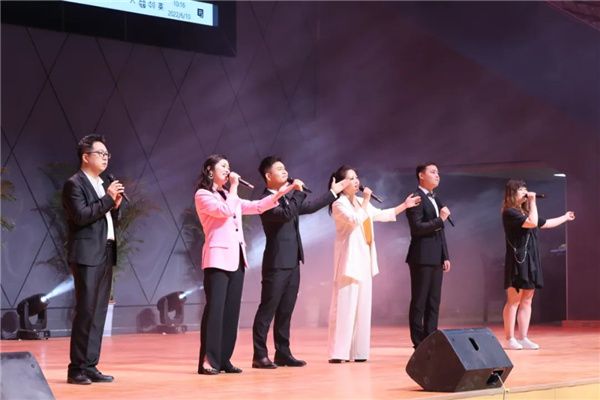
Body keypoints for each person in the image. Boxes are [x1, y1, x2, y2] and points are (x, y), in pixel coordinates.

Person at [194, 154, 294, 375]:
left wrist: (282, 192)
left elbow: (257, 206)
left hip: (237, 259)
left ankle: (224, 359)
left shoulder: (230, 196)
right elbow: (225, 211)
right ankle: (208, 360)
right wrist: (234, 187)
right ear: (210, 171)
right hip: (217, 260)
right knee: (215, 310)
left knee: (231, 311)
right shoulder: (203, 195)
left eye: (228, 166)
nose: (227, 169)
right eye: (223, 166)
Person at [251, 156, 350, 369]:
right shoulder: (266, 200)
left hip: (293, 261)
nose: (285, 171)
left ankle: (282, 353)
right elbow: (287, 214)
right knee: (268, 309)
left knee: (286, 310)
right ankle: (259, 355)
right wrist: (297, 191)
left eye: (285, 168)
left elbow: (311, 206)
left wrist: (333, 192)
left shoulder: (287, 198)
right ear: (268, 176)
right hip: (276, 263)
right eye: (279, 169)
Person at [327, 165, 420, 363]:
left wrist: (405, 205)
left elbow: (381, 214)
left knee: (362, 308)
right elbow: (355, 220)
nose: (356, 181)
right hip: (349, 262)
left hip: (365, 260)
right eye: (351, 178)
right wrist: (366, 200)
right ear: (342, 184)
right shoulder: (339, 204)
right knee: (345, 308)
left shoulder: (360, 201)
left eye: (356, 177)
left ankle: (359, 352)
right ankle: (339, 353)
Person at [63, 134, 125, 385]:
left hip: (105, 251)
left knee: (99, 311)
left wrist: (115, 206)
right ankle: (76, 368)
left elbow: (105, 219)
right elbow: (81, 216)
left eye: (107, 154)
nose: (105, 158)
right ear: (85, 156)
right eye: (101, 153)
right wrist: (108, 199)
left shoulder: (102, 183)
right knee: (86, 310)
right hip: (87, 254)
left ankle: (90, 365)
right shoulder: (74, 184)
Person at [501, 179, 575, 350]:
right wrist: (533, 202)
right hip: (517, 260)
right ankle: (510, 338)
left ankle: (523, 337)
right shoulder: (509, 212)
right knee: (514, 300)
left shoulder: (525, 212)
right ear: (512, 194)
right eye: (521, 190)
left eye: (525, 189)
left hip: (531, 260)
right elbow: (532, 223)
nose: (525, 192)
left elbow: (545, 223)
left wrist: (565, 217)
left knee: (527, 300)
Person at [405, 162, 452, 348]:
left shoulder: (435, 198)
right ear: (421, 175)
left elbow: (440, 230)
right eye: (433, 172)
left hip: (436, 256)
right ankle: (418, 342)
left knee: (434, 301)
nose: (437, 175)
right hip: (421, 256)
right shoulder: (415, 198)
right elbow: (416, 228)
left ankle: (431, 337)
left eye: (438, 172)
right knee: (420, 300)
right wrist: (440, 219)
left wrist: (445, 255)